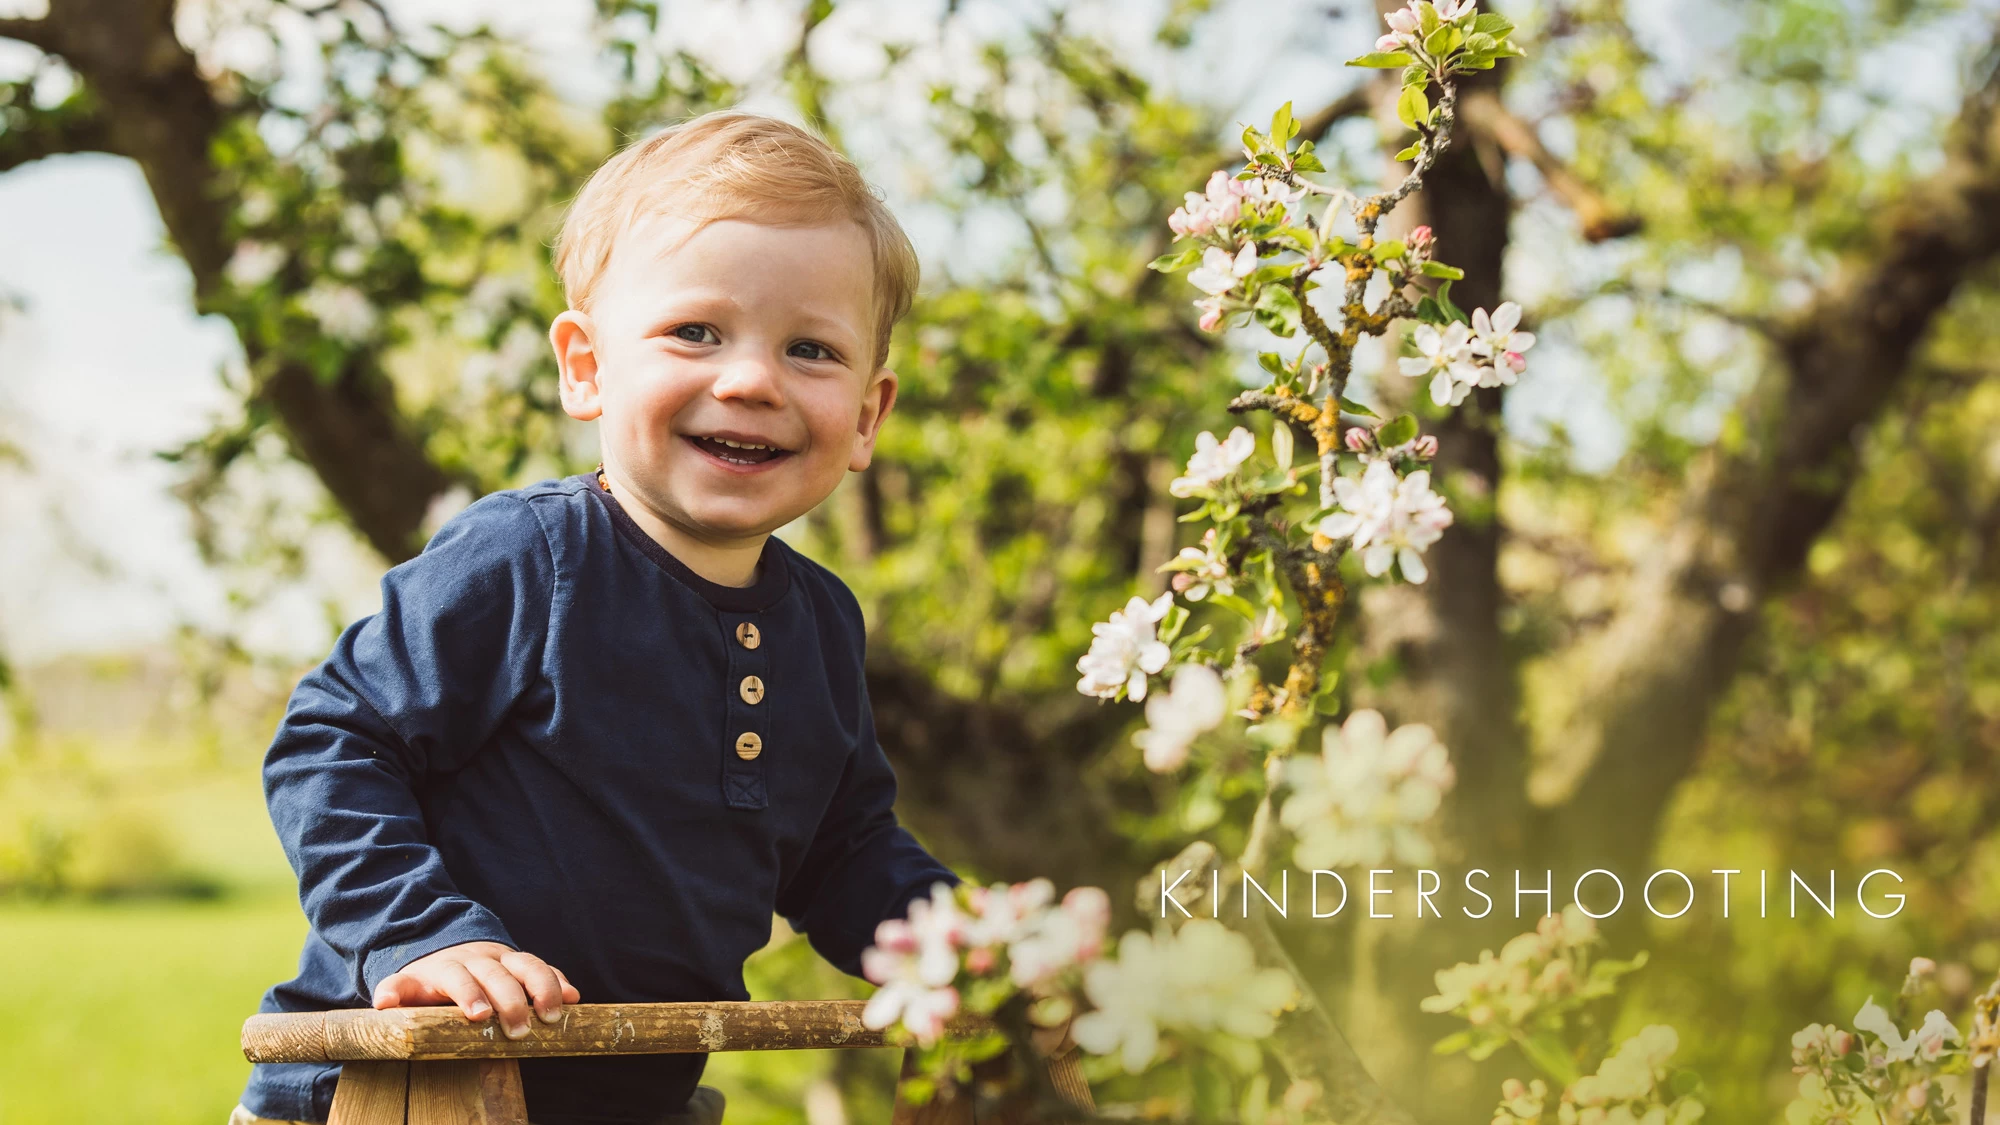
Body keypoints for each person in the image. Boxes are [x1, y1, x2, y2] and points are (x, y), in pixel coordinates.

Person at [231, 111, 959, 1125]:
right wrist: (424, 934)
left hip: (631, 1098)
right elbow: (334, 741)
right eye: (695, 332)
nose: (750, 380)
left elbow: (845, 854)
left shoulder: (822, 624)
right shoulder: (530, 558)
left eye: (810, 349)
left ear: (868, 416)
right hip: (399, 1091)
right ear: (586, 367)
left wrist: (968, 948)